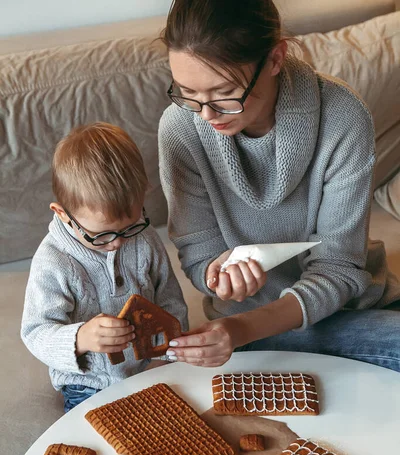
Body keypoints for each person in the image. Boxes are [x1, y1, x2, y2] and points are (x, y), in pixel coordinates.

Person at [158, 0, 400, 371]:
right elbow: (197, 252)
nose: (205, 114)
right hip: (246, 333)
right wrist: (217, 277)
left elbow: (338, 267)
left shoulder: (342, 117)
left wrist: (242, 328)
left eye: (224, 92)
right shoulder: (180, 128)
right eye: (187, 91)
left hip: (347, 312)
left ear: (274, 59)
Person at [21, 122, 188, 411]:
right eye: (102, 235)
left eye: (129, 227)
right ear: (63, 215)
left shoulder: (145, 239)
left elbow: (170, 302)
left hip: (151, 368)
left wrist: (167, 357)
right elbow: (36, 332)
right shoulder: (54, 262)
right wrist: (80, 337)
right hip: (88, 384)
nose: (117, 243)